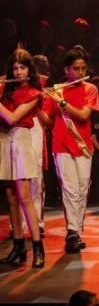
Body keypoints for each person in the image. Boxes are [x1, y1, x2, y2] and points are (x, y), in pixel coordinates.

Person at [40, 46, 99, 253]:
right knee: (70, 190)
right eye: (76, 69)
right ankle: (72, 232)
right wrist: (38, 104)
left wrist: (62, 103)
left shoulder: (91, 89)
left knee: (83, 189)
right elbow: (47, 123)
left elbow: (83, 116)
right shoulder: (56, 91)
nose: (80, 73)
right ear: (67, 70)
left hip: (83, 146)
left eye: (83, 68)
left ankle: (77, 231)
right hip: (61, 145)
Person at [0, 49, 45, 267]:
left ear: (29, 70)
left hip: (20, 140)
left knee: (25, 196)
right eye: (15, 68)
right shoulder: (5, 91)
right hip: (4, 141)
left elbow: (11, 118)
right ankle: (18, 247)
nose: (18, 72)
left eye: (22, 67)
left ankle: (37, 247)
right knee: (10, 197)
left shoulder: (34, 93)